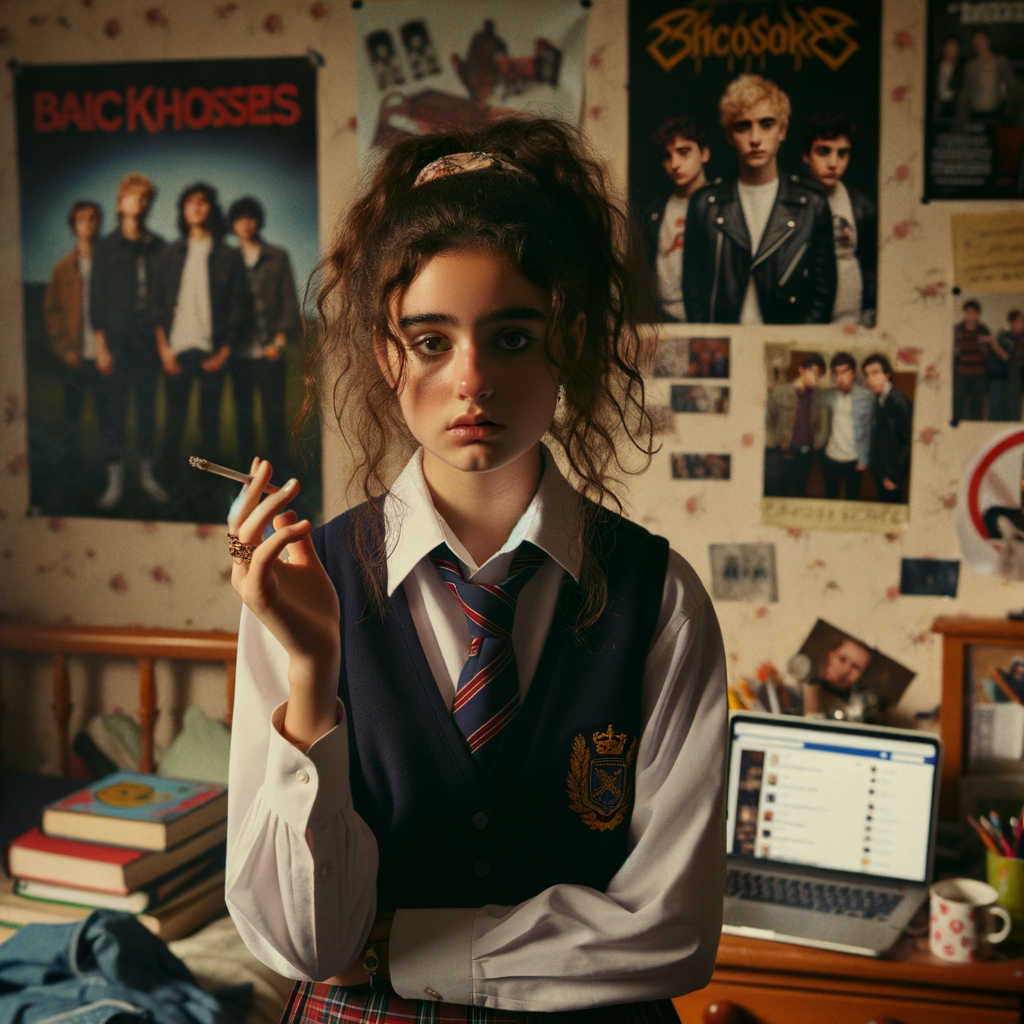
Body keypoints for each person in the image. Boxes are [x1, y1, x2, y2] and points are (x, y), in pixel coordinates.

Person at [223, 120, 727, 1022]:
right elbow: (304, 943)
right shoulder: (305, 580)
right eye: (430, 341)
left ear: (564, 339)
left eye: (510, 335)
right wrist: (309, 673)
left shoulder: (660, 597)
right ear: (387, 353)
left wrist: (410, 944)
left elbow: (674, 930)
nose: (472, 382)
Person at [682, 74, 835, 324]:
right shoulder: (704, 204)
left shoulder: (811, 203)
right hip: (722, 350)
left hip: (787, 349)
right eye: (743, 126)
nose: (755, 139)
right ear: (730, 135)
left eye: (766, 124)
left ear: (782, 130)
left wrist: (799, 349)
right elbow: (693, 291)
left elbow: (823, 294)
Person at [152, 183, 251, 471]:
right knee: (174, 421)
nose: (196, 206)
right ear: (183, 210)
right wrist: (164, 350)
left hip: (212, 352)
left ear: (212, 208)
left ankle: (208, 487)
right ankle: (167, 478)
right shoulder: (169, 254)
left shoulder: (229, 256)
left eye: (203, 201)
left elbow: (238, 308)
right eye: (190, 202)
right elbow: (156, 305)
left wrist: (224, 353)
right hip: (176, 351)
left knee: (210, 424)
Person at [90, 174, 168, 508]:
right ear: (121, 203)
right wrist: (101, 347)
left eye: (146, 197)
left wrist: (164, 344)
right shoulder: (105, 248)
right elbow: (95, 300)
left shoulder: (157, 245)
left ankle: (147, 477)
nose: (141, 202)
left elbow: (165, 298)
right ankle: (115, 484)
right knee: (114, 415)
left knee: (147, 413)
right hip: (116, 345)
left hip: (148, 344)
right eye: (134, 196)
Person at [228, 197, 301, 472]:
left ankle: (278, 474)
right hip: (239, 355)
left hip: (271, 352)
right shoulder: (228, 259)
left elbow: (290, 302)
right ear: (233, 224)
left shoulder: (277, 256)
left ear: (258, 221)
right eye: (240, 218)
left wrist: (279, 342)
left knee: (274, 417)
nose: (246, 224)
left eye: (251, 217)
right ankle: (247, 476)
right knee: (242, 418)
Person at [43, 200, 105, 478]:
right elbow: (52, 310)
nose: (88, 224)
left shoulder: (110, 263)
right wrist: (65, 348)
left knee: (107, 419)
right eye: (81, 219)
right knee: (71, 417)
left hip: (105, 357)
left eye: (93, 218)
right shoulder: (63, 268)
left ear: (99, 223)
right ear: (73, 225)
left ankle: (107, 474)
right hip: (75, 357)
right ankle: (71, 470)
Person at [800, 112, 877, 326]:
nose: (833, 163)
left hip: (850, 318)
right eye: (824, 152)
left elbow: (870, 264)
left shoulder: (862, 205)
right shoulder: (790, 201)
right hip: (805, 318)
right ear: (806, 155)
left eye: (842, 153)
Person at [641, 116, 710, 322]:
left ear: (704, 153)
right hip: (664, 317)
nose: (674, 163)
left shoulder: (723, 205)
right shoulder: (654, 211)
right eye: (666, 156)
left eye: (683, 152)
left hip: (710, 317)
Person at [764, 353, 828, 498]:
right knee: (782, 489)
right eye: (813, 372)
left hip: (807, 450)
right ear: (801, 370)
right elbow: (768, 420)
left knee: (801, 488)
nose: (816, 377)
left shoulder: (818, 396)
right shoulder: (780, 392)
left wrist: (818, 442)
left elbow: (823, 423)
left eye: (820, 375)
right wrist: (776, 443)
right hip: (785, 450)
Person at [821, 352, 872, 501]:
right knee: (830, 496)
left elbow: (868, 429)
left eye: (845, 372)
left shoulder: (865, 396)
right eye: (836, 373)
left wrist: (864, 459)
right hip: (831, 456)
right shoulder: (829, 395)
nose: (841, 378)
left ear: (853, 373)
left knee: (853, 497)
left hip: (854, 459)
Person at [863, 353, 912, 504]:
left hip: (892, 472)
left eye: (875, 373)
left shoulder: (899, 402)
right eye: (867, 375)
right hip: (879, 468)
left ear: (887, 374)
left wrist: (894, 475)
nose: (870, 379)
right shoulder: (878, 399)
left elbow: (908, 442)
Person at [957, 29, 1019, 123]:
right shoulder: (971, 66)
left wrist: (1008, 108)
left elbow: (1013, 86)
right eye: (975, 41)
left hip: (997, 111)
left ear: (988, 41)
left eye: (981, 39)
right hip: (975, 113)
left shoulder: (1000, 62)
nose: (979, 44)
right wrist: (963, 116)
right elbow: (965, 92)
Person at [952, 299, 992, 425]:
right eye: (968, 312)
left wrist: (989, 343)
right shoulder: (957, 329)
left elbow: (990, 352)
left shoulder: (984, 329)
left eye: (974, 313)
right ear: (964, 313)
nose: (971, 316)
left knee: (978, 406)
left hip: (979, 374)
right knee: (958, 404)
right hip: (961, 373)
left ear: (978, 314)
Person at [998, 309, 1024, 422]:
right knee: (1012, 399)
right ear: (1012, 323)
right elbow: (1007, 356)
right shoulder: (1004, 336)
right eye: (1020, 322)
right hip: (1009, 373)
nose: (1022, 324)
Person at [934, 36, 962, 119]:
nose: (950, 50)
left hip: (954, 107)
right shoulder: (936, 65)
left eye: (954, 48)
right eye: (948, 46)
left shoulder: (961, 67)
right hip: (938, 105)